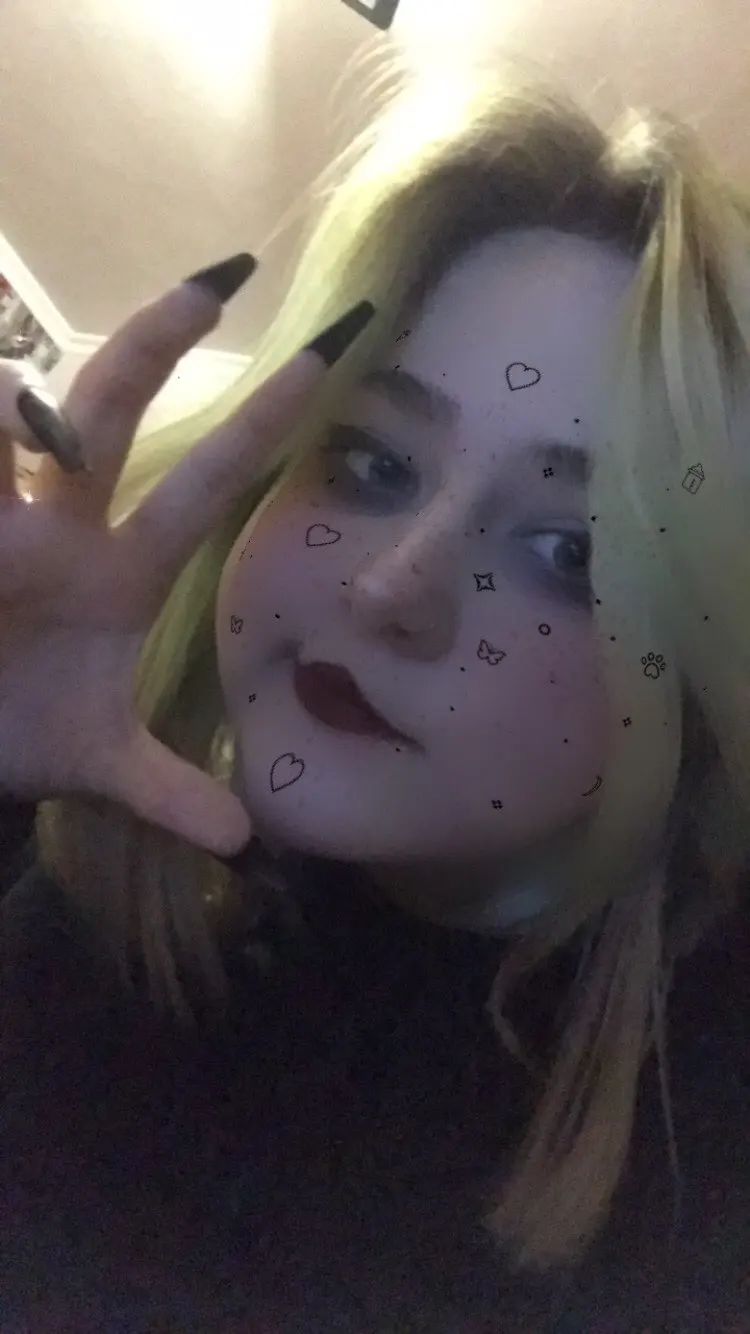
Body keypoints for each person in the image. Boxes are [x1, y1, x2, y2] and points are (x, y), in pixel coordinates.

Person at [1, 52, 749, 1332]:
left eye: (570, 551)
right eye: (371, 462)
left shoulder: (703, 1142)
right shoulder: (75, 855)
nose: (393, 585)